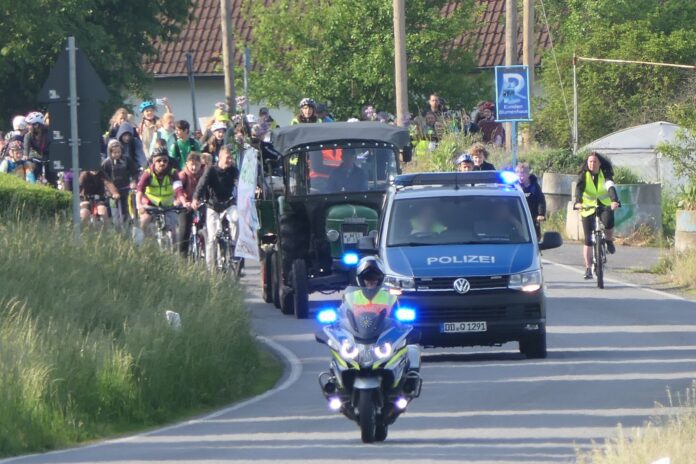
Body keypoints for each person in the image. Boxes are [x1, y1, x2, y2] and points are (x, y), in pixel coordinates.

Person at [191, 145, 240, 270]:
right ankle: (210, 269)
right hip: (213, 206)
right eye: (227, 158)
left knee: (235, 219)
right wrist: (196, 198)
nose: (230, 160)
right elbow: (202, 184)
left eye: (231, 158)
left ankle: (234, 247)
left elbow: (240, 183)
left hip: (228, 204)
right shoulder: (211, 170)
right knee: (212, 238)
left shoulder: (233, 170)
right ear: (220, 157)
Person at [574, 151, 620, 280]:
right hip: (588, 207)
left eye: (594, 162)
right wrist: (578, 203)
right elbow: (579, 190)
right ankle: (588, 268)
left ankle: (609, 240)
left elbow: (610, 187)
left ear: (599, 163)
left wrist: (614, 200)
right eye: (590, 162)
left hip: (604, 205)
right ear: (587, 163)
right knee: (588, 240)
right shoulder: (583, 175)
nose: (592, 164)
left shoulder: (605, 174)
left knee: (608, 221)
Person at [136, 148, 186, 240]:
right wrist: (139, 205)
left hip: (168, 206)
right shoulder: (148, 173)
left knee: (174, 232)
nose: (162, 163)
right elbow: (139, 190)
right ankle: (141, 245)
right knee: (144, 221)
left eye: (165, 160)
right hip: (150, 205)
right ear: (154, 162)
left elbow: (179, 190)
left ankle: (173, 253)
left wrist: (184, 202)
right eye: (159, 161)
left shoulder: (173, 173)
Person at [101, 139, 139, 225]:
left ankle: (128, 230)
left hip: (126, 190)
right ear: (109, 152)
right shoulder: (106, 163)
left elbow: (135, 172)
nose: (117, 154)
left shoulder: (127, 160)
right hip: (112, 194)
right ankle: (117, 232)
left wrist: (133, 181)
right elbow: (103, 178)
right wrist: (110, 191)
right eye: (114, 153)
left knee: (126, 212)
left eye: (119, 152)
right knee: (115, 215)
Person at [177, 152, 204, 256]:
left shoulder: (203, 174)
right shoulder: (183, 175)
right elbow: (178, 190)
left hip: (199, 204)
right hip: (185, 205)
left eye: (197, 164)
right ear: (187, 163)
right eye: (191, 164)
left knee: (206, 227)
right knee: (184, 229)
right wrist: (184, 202)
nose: (194, 167)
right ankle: (182, 257)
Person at [23, 111, 56, 186]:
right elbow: (26, 151)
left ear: (36, 125)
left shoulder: (49, 133)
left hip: (48, 158)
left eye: (29, 124)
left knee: (52, 180)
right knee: (33, 174)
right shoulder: (28, 136)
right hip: (35, 158)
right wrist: (26, 157)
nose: (27, 126)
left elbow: (55, 147)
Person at [516, 162, 546, 239]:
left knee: (535, 237)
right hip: (516, 218)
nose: (520, 176)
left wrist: (541, 214)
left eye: (522, 174)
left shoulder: (534, 186)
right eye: (518, 174)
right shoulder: (514, 186)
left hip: (532, 217)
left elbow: (540, 200)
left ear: (528, 175)